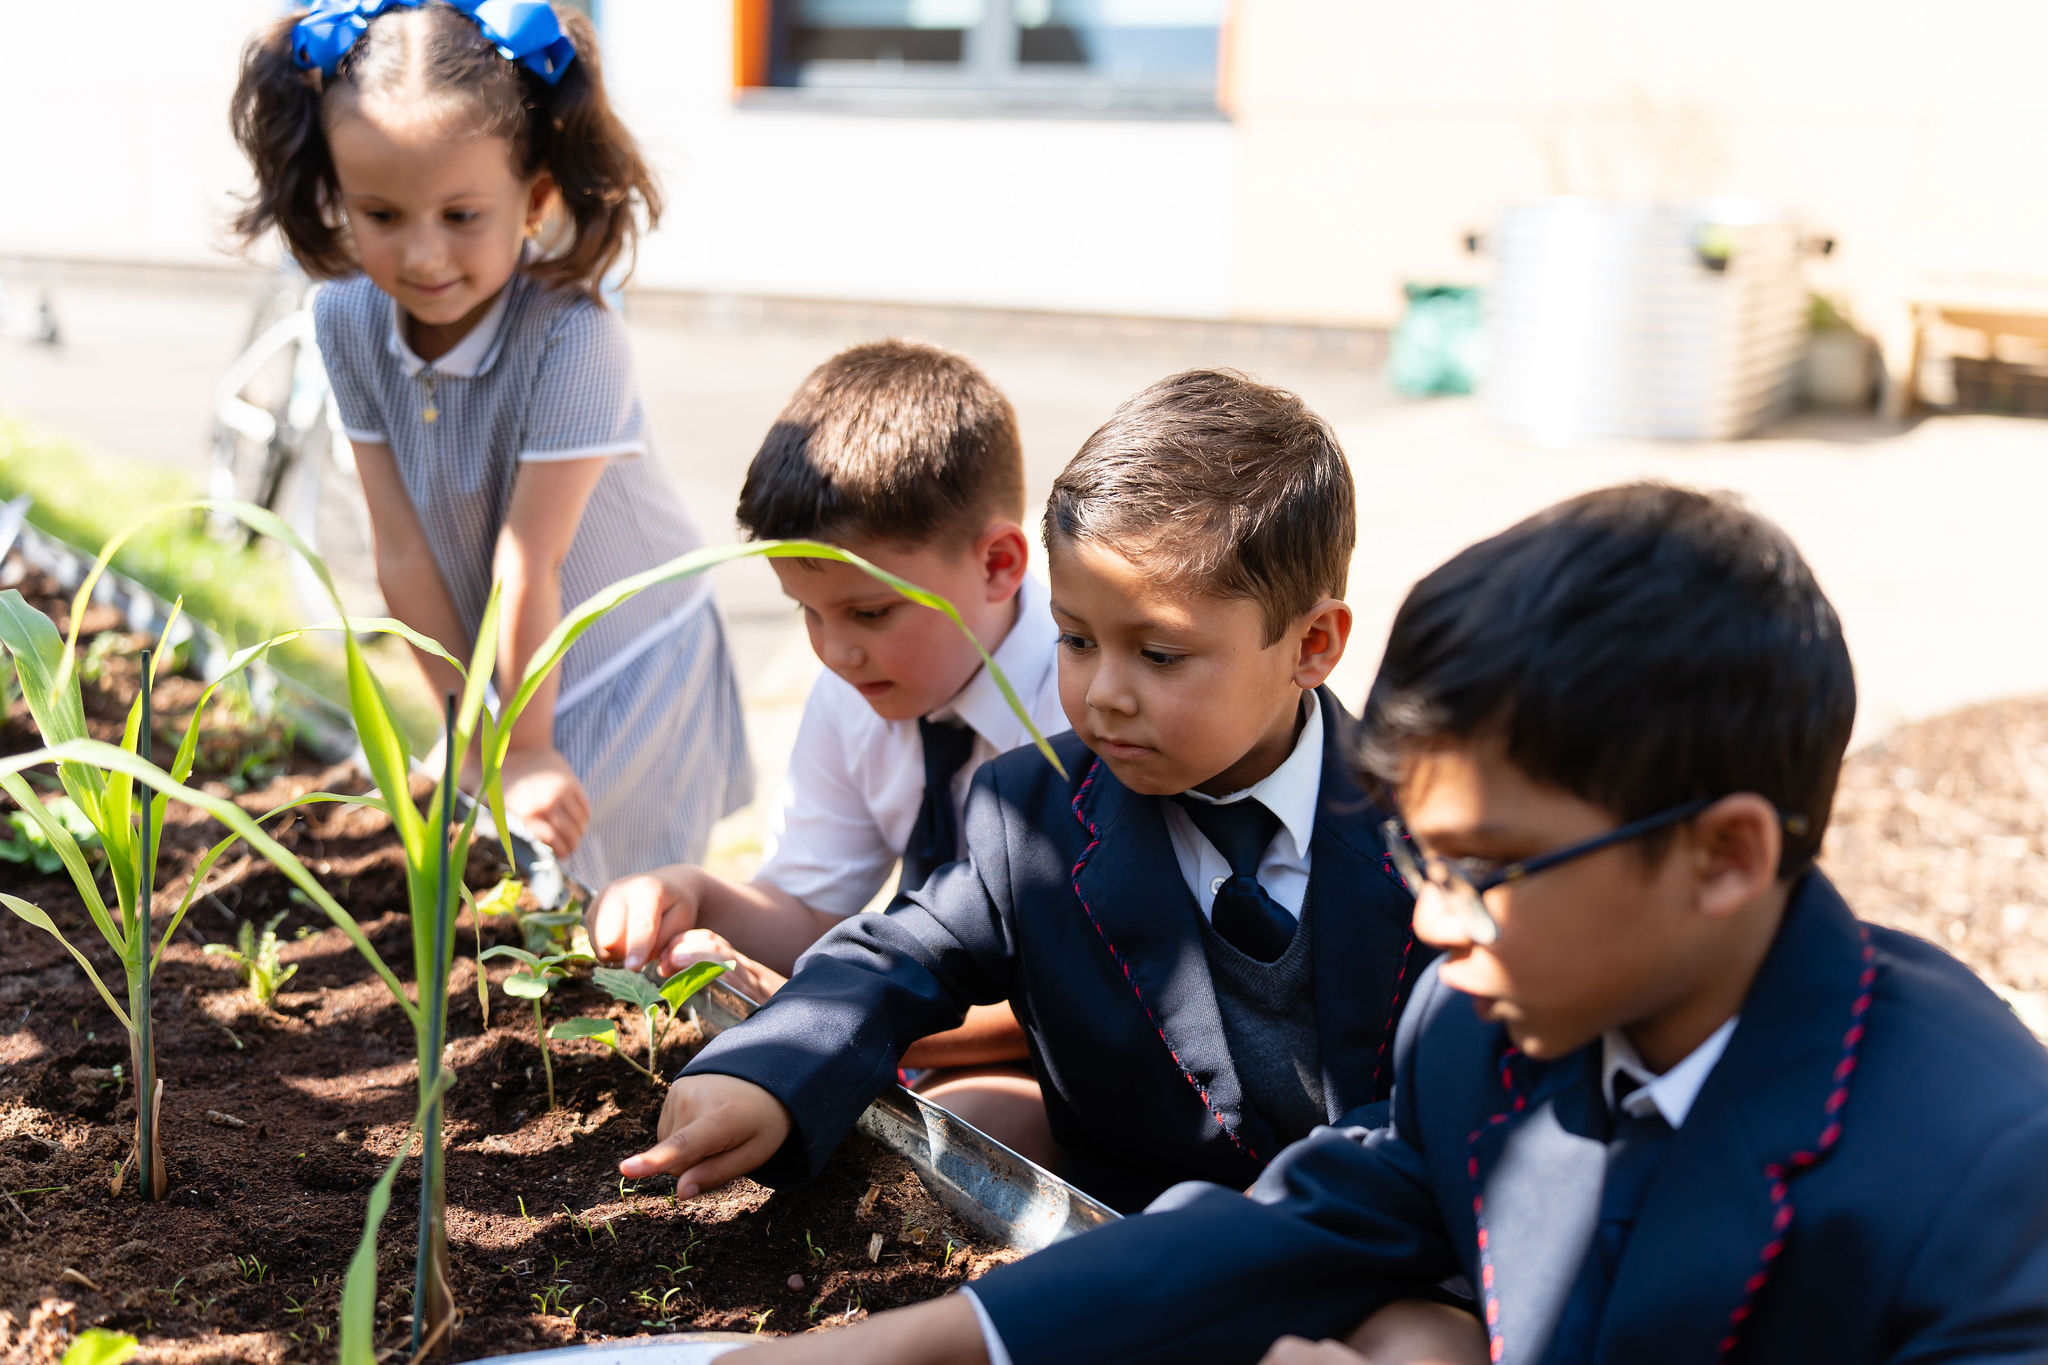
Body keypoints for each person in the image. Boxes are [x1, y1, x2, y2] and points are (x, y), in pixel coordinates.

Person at [728, 482, 2048, 1365]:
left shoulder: (1982, 1173)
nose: (1430, 912)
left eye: (1483, 863)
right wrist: (906, 1343)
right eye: (1414, 846)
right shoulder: (1476, 1028)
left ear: (1723, 856)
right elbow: (1300, 1223)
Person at [617, 368, 1423, 1216]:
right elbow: (893, 956)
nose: (1104, 693)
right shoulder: (1035, 810)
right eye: (1075, 639)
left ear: (1314, 643)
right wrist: (763, 1068)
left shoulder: (1431, 829)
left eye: (1159, 655)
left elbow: (1456, 1100)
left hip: (1372, 1253)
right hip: (1116, 1244)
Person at [230, 0, 750, 886]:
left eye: (462, 215)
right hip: (506, 668)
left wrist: (527, 751)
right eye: (381, 214)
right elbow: (399, 551)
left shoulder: (573, 336)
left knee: (615, 914)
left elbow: (528, 559)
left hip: (624, 665)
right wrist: (470, 737)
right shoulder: (347, 319)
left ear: (536, 197)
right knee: (499, 887)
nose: (424, 255)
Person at [587, 339, 1066, 1156]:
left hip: (1084, 1073)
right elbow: (813, 908)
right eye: (807, 612)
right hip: (925, 1037)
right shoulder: (860, 692)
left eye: (870, 613)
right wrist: (693, 893)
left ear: (998, 563)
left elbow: (1069, 1002)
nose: (834, 651)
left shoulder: (1085, 710)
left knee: (957, 1128)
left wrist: (821, 1020)